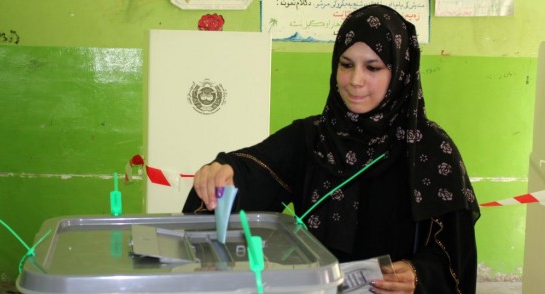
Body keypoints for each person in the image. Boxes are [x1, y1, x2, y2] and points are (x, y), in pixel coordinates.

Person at [183, 4, 480, 294]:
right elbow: (253, 169)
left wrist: (419, 275)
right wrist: (223, 171)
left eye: (373, 67)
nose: (355, 81)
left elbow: (455, 255)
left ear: (400, 73)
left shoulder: (429, 151)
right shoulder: (313, 138)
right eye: (346, 64)